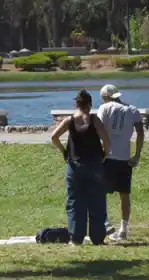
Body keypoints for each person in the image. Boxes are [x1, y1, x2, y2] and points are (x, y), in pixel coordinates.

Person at [50, 89, 112, 246]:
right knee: (97, 200)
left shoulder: (69, 121)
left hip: (75, 166)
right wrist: (104, 153)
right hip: (94, 165)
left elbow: (54, 137)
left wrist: (64, 151)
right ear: (90, 105)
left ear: (76, 104)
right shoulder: (94, 120)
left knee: (75, 202)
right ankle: (98, 238)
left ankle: (76, 238)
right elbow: (107, 141)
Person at [97, 83, 145, 241]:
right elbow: (140, 133)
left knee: (100, 192)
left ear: (106, 97)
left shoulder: (104, 108)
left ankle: (106, 224)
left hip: (108, 157)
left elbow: (99, 130)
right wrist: (137, 154)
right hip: (125, 158)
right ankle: (124, 229)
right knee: (124, 195)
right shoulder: (132, 110)